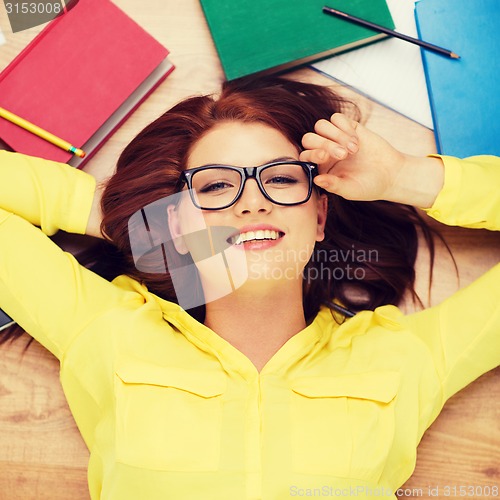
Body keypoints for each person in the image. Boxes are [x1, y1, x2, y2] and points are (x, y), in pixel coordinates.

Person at [0, 76, 498, 499]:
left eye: (280, 179)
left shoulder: (406, 358)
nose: (252, 204)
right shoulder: (106, 331)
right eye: (215, 187)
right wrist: (122, 216)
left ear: (319, 214)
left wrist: (408, 177)